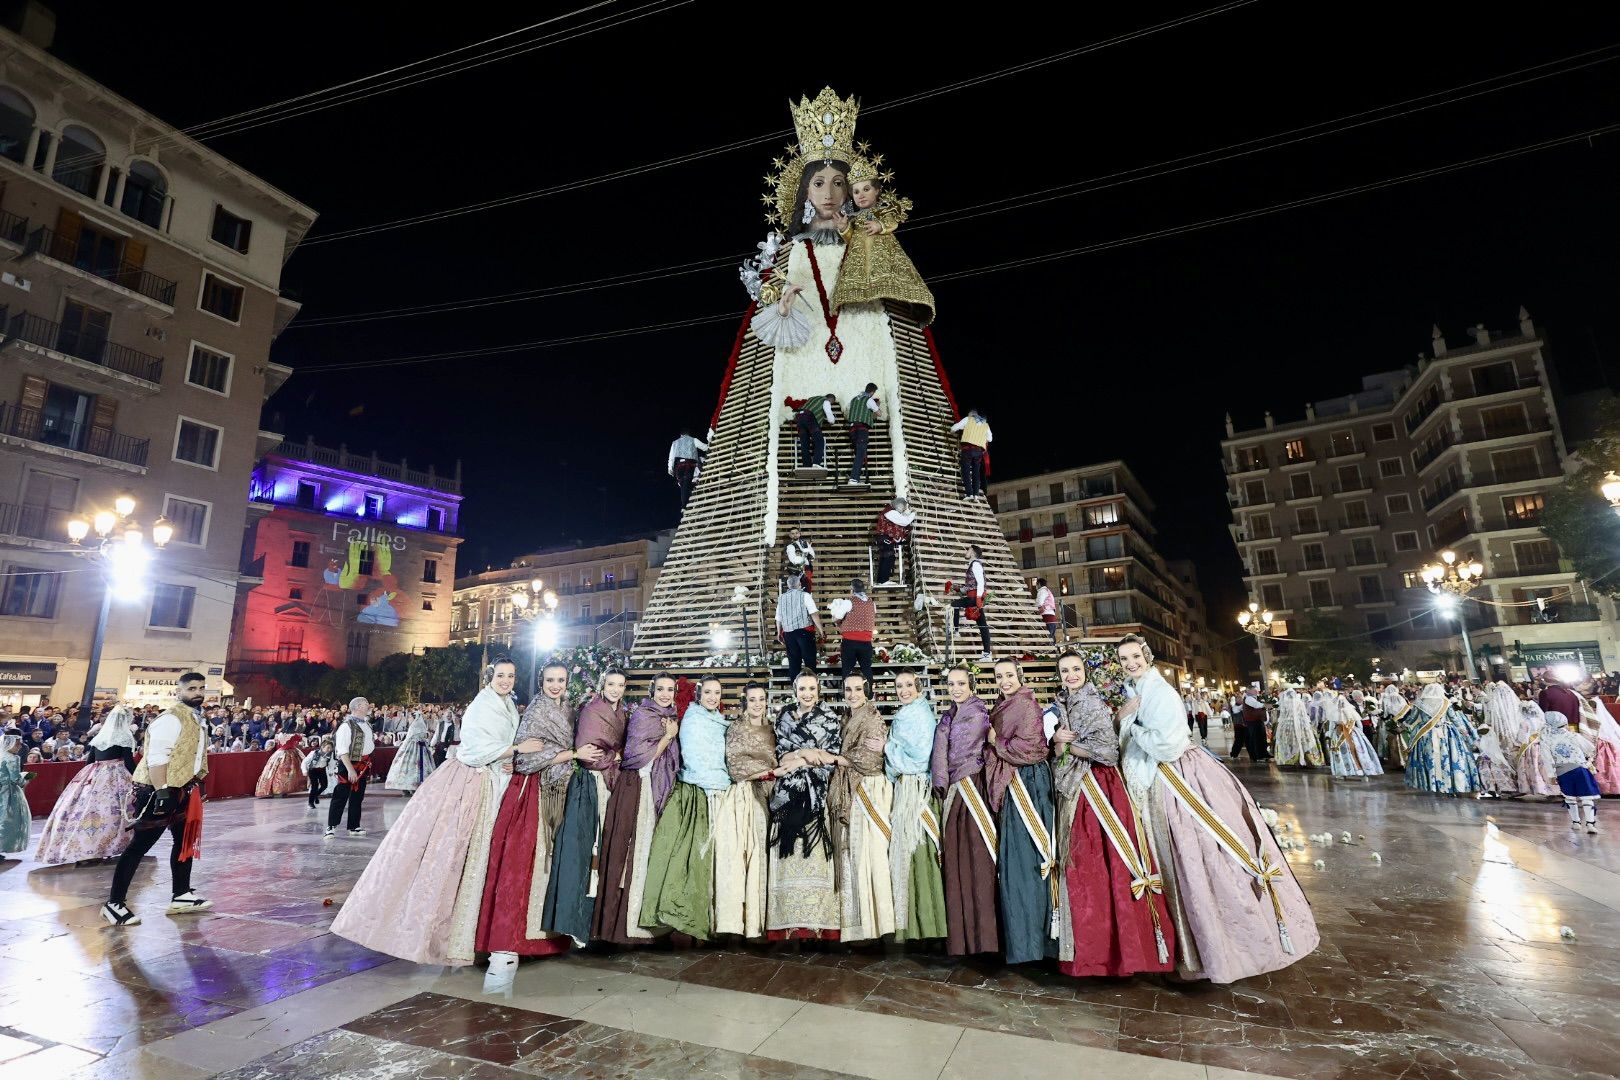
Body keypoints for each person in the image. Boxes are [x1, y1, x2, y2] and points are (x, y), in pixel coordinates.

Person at [1117, 634, 1319, 983]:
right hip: (1157, 778)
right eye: (1124, 659)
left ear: (1147, 657)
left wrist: (1131, 727)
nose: (1130, 663)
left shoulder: (1161, 692)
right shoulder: (1137, 690)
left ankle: (1226, 944)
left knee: (1201, 853)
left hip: (1176, 777)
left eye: (1135, 656)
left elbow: (1166, 746)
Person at [332, 657, 541, 966]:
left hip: (497, 779)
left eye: (511, 676)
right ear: (489, 677)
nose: (506, 680)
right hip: (474, 784)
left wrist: (511, 757)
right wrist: (516, 751)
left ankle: (476, 932)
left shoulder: (506, 703)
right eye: (501, 675)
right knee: (456, 857)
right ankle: (447, 934)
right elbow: (473, 750)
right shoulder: (482, 705)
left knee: (478, 858)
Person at [1047, 650, 1174, 976]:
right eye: (1065, 670)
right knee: (1086, 871)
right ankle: (1093, 952)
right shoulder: (1063, 702)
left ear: (1085, 672)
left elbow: (1106, 751)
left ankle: (1116, 954)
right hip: (1077, 787)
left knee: (1102, 866)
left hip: (1098, 788)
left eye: (1076, 669)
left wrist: (1066, 746)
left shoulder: (1091, 703)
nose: (1071, 675)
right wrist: (1056, 742)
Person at [477, 662, 594, 992]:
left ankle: (539, 938)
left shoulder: (568, 709)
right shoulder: (537, 711)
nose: (555, 685)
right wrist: (572, 754)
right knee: (521, 866)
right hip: (533, 793)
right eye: (550, 680)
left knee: (547, 867)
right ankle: (507, 943)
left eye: (561, 680)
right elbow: (526, 759)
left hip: (560, 790)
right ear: (541, 682)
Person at [103, 672, 213, 926]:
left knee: (183, 842)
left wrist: (197, 781)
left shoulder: (195, 717)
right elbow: (157, 757)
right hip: (158, 790)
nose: (198, 693)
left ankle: (181, 895)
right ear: (178, 691)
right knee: (139, 846)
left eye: (201, 688)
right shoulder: (170, 719)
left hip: (183, 788)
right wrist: (163, 791)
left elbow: (193, 755)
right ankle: (114, 904)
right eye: (192, 688)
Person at [591, 673, 680, 944]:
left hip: (658, 788)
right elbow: (638, 757)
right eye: (660, 689)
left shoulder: (671, 716)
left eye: (670, 689)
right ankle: (624, 927)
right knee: (632, 853)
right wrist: (667, 738)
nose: (665, 694)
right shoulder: (643, 715)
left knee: (650, 854)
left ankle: (650, 923)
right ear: (652, 690)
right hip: (638, 788)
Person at [641, 676, 732, 940]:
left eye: (717, 693)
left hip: (720, 788)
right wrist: (716, 784)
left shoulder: (719, 721)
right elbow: (695, 758)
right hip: (697, 789)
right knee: (688, 856)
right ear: (698, 695)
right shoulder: (693, 719)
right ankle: (680, 917)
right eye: (708, 693)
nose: (713, 697)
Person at [543, 668, 628, 944]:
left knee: (603, 852)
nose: (615, 689)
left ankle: (595, 923)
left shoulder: (621, 713)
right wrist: (615, 757)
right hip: (590, 784)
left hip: (610, 784)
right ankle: (575, 921)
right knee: (583, 850)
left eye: (621, 685)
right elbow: (588, 755)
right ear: (603, 685)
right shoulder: (593, 711)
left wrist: (616, 756)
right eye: (611, 684)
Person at [984, 659, 1056, 964]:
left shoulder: (1026, 705)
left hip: (1028, 784)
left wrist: (995, 741)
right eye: (999, 676)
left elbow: (1031, 749)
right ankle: (1023, 942)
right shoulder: (1002, 706)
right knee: (1015, 862)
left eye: (1009, 675)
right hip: (1012, 781)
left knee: (1027, 860)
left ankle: (1038, 942)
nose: (1005, 681)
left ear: (1020, 676)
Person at [767, 673, 845, 940]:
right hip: (788, 792)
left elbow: (829, 757)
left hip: (816, 792)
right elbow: (781, 755)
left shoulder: (830, 718)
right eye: (802, 689)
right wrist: (804, 753)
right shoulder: (784, 717)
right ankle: (788, 923)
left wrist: (801, 760)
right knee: (788, 857)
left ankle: (817, 924)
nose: (807, 694)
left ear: (819, 690)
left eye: (812, 688)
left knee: (816, 857)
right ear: (794, 690)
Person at [931, 665, 998, 956]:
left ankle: (986, 939)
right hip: (956, 793)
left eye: (961, 683)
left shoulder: (977, 713)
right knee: (957, 862)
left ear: (971, 685)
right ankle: (963, 938)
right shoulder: (948, 716)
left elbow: (964, 753)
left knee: (977, 860)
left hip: (972, 789)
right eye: (951, 684)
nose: (956, 689)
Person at [714, 681, 788, 939]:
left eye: (761, 699)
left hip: (773, 793)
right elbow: (736, 766)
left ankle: (768, 920)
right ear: (745, 703)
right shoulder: (737, 728)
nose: (757, 704)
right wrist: (769, 773)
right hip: (747, 794)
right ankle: (747, 921)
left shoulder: (772, 729)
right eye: (752, 699)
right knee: (751, 855)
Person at [831, 672, 894, 942]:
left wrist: (834, 758)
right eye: (848, 689)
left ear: (866, 691)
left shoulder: (872, 718)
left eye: (858, 689)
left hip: (868, 789)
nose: (853, 694)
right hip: (853, 788)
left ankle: (879, 925)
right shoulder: (847, 717)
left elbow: (870, 759)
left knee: (872, 855)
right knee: (855, 856)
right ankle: (860, 926)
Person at [885, 671, 946, 944]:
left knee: (919, 851)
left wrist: (888, 748)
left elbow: (920, 759)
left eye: (909, 685)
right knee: (906, 854)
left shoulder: (921, 715)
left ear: (918, 687)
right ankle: (911, 925)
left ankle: (929, 925)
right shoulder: (904, 714)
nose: (904, 690)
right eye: (899, 686)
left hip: (917, 791)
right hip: (904, 789)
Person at [35, 704, 137, 865]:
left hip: (94, 773)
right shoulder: (125, 737)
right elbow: (129, 762)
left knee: (85, 809)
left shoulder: (100, 737)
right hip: (115, 774)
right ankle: (106, 846)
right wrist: (138, 778)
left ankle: (82, 846)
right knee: (116, 810)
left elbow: (89, 761)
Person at [1539, 685, 1600, 833]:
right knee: (1587, 797)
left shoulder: (1546, 740)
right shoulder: (1573, 735)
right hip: (1580, 769)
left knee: (1570, 797)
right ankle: (1590, 824)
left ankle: (1576, 822)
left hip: (1562, 772)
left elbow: (1547, 759)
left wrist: (1551, 775)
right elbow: (1589, 748)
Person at [1403, 684, 1481, 796]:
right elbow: (1454, 718)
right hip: (1445, 734)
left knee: (1429, 759)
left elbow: (1411, 719)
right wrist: (1463, 730)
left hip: (1425, 735)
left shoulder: (1419, 703)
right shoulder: (1445, 702)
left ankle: (1432, 783)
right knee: (1448, 757)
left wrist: (1402, 725)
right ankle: (1448, 783)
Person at [325, 698, 377, 838]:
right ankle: (331, 826)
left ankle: (354, 826)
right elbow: (342, 750)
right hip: (349, 764)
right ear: (358, 707)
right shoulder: (346, 726)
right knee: (341, 795)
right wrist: (350, 769)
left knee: (358, 796)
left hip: (363, 764)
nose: (369, 706)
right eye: (366, 704)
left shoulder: (366, 724)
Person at [776, 572, 820, 685]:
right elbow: (813, 613)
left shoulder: (781, 598)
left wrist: (779, 632)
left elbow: (778, 617)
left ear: (788, 585)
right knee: (809, 660)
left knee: (794, 662)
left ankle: (795, 687)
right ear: (799, 584)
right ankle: (811, 685)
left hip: (789, 633)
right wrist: (821, 630)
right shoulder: (805, 595)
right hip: (804, 631)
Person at [1327, 693, 1384, 781]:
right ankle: (1363, 772)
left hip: (1340, 734)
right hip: (1353, 734)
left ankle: (1343, 772)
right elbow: (1359, 724)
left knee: (1343, 753)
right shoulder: (1351, 710)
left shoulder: (1334, 712)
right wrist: (1360, 734)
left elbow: (1331, 727)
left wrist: (1330, 735)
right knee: (1358, 752)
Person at [834, 578, 877, 687]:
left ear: (851, 589)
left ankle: (847, 692)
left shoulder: (849, 602)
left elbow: (837, 617)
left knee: (847, 669)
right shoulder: (872, 603)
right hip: (866, 642)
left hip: (850, 641)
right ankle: (869, 693)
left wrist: (837, 622)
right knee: (866, 669)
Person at [952, 545, 991, 662]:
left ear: (973, 552)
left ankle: (956, 630)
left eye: (968, 549)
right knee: (982, 625)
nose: (966, 551)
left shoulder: (976, 564)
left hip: (974, 598)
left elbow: (980, 583)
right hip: (972, 597)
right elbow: (971, 586)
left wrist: (978, 598)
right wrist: (958, 589)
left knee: (954, 605)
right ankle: (987, 654)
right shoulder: (973, 565)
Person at [385, 710, 437, 794]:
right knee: (421, 766)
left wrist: (402, 747)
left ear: (414, 718)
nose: (408, 719)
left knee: (407, 766)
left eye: (410, 717)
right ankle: (417, 786)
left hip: (411, 748)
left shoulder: (413, 726)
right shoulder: (422, 725)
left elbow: (408, 738)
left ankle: (408, 787)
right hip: (422, 748)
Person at [254, 720, 308, 798]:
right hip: (291, 752)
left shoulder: (279, 734)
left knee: (273, 769)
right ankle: (288, 788)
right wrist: (300, 735)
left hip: (279, 753)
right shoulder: (293, 735)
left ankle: (274, 788)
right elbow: (299, 739)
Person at [1272, 689, 1324, 768]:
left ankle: (1289, 759)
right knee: (1303, 741)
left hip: (1287, 725)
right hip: (1301, 724)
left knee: (1288, 742)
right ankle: (1304, 758)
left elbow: (1282, 716)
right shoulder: (1299, 702)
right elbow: (1304, 714)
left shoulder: (1285, 703)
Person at [871, 497, 914, 587]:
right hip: (884, 537)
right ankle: (883, 580)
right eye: (903, 508)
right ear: (899, 506)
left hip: (885, 538)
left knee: (887, 557)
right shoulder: (891, 512)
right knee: (887, 557)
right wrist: (913, 513)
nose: (903, 510)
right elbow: (905, 521)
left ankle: (882, 580)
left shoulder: (889, 511)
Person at [845, 382, 882, 485]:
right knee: (861, 453)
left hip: (852, 429)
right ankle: (853, 479)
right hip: (862, 429)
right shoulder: (869, 400)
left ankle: (855, 477)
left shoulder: (854, 399)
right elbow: (879, 414)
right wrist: (877, 405)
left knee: (859, 454)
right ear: (872, 392)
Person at [785, 394, 835, 470]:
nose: (831, 404)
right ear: (830, 399)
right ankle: (816, 464)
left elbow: (802, 409)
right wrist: (832, 421)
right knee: (819, 441)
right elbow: (829, 416)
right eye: (832, 403)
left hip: (799, 419)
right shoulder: (825, 401)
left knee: (804, 444)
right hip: (809, 418)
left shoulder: (811, 399)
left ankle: (806, 466)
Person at [950, 408, 992, 499]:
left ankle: (969, 494)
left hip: (968, 450)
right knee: (976, 473)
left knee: (966, 472)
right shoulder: (985, 424)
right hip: (979, 452)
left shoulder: (968, 419)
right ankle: (976, 495)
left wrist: (953, 433)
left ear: (971, 414)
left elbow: (953, 428)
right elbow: (990, 439)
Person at [0, 734, 29, 857]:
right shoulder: (13, 758)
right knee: (8, 820)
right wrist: (26, 777)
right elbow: (16, 779)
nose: (19, 747)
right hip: (9, 792)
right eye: (17, 744)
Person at [667, 428, 709, 509]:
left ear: (681, 435)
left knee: (683, 485)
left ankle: (686, 504)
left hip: (678, 466)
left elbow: (671, 457)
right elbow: (704, 447)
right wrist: (711, 444)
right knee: (686, 483)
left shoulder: (675, 443)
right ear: (688, 434)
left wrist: (670, 469)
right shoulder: (693, 440)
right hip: (689, 464)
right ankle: (685, 505)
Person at [1377, 684, 1411, 769]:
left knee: (1395, 745)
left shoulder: (1389, 705)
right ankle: (1403, 761)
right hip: (1401, 726)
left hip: (1396, 726)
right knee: (1400, 744)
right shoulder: (1403, 705)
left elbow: (1385, 716)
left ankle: (1398, 762)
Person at [783, 526, 817, 592]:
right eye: (793, 533)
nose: (795, 535)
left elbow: (812, 555)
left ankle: (807, 597)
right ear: (790, 535)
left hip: (807, 568)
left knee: (808, 588)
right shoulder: (790, 546)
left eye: (796, 533)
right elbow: (793, 560)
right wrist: (805, 552)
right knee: (797, 589)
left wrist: (806, 553)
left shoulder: (805, 543)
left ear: (799, 534)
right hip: (796, 570)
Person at [303, 736, 334, 809]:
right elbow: (304, 762)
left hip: (322, 770)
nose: (329, 750)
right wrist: (304, 771)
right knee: (314, 786)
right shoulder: (314, 753)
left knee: (324, 785)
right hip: (313, 770)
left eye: (330, 748)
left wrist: (331, 772)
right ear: (322, 747)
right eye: (328, 748)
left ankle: (316, 795)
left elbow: (331, 763)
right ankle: (310, 803)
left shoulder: (330, 755)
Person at [1033, 578, 1058, 644]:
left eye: (1036, 584)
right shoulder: (1048, 591)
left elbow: (1039, 603)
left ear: (1039, 584)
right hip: (1052, 618)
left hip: (1046, 617)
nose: (1036, 586)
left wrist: (1033, 608)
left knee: (1047, 640)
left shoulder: (1042, 591)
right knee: (1051, 639)